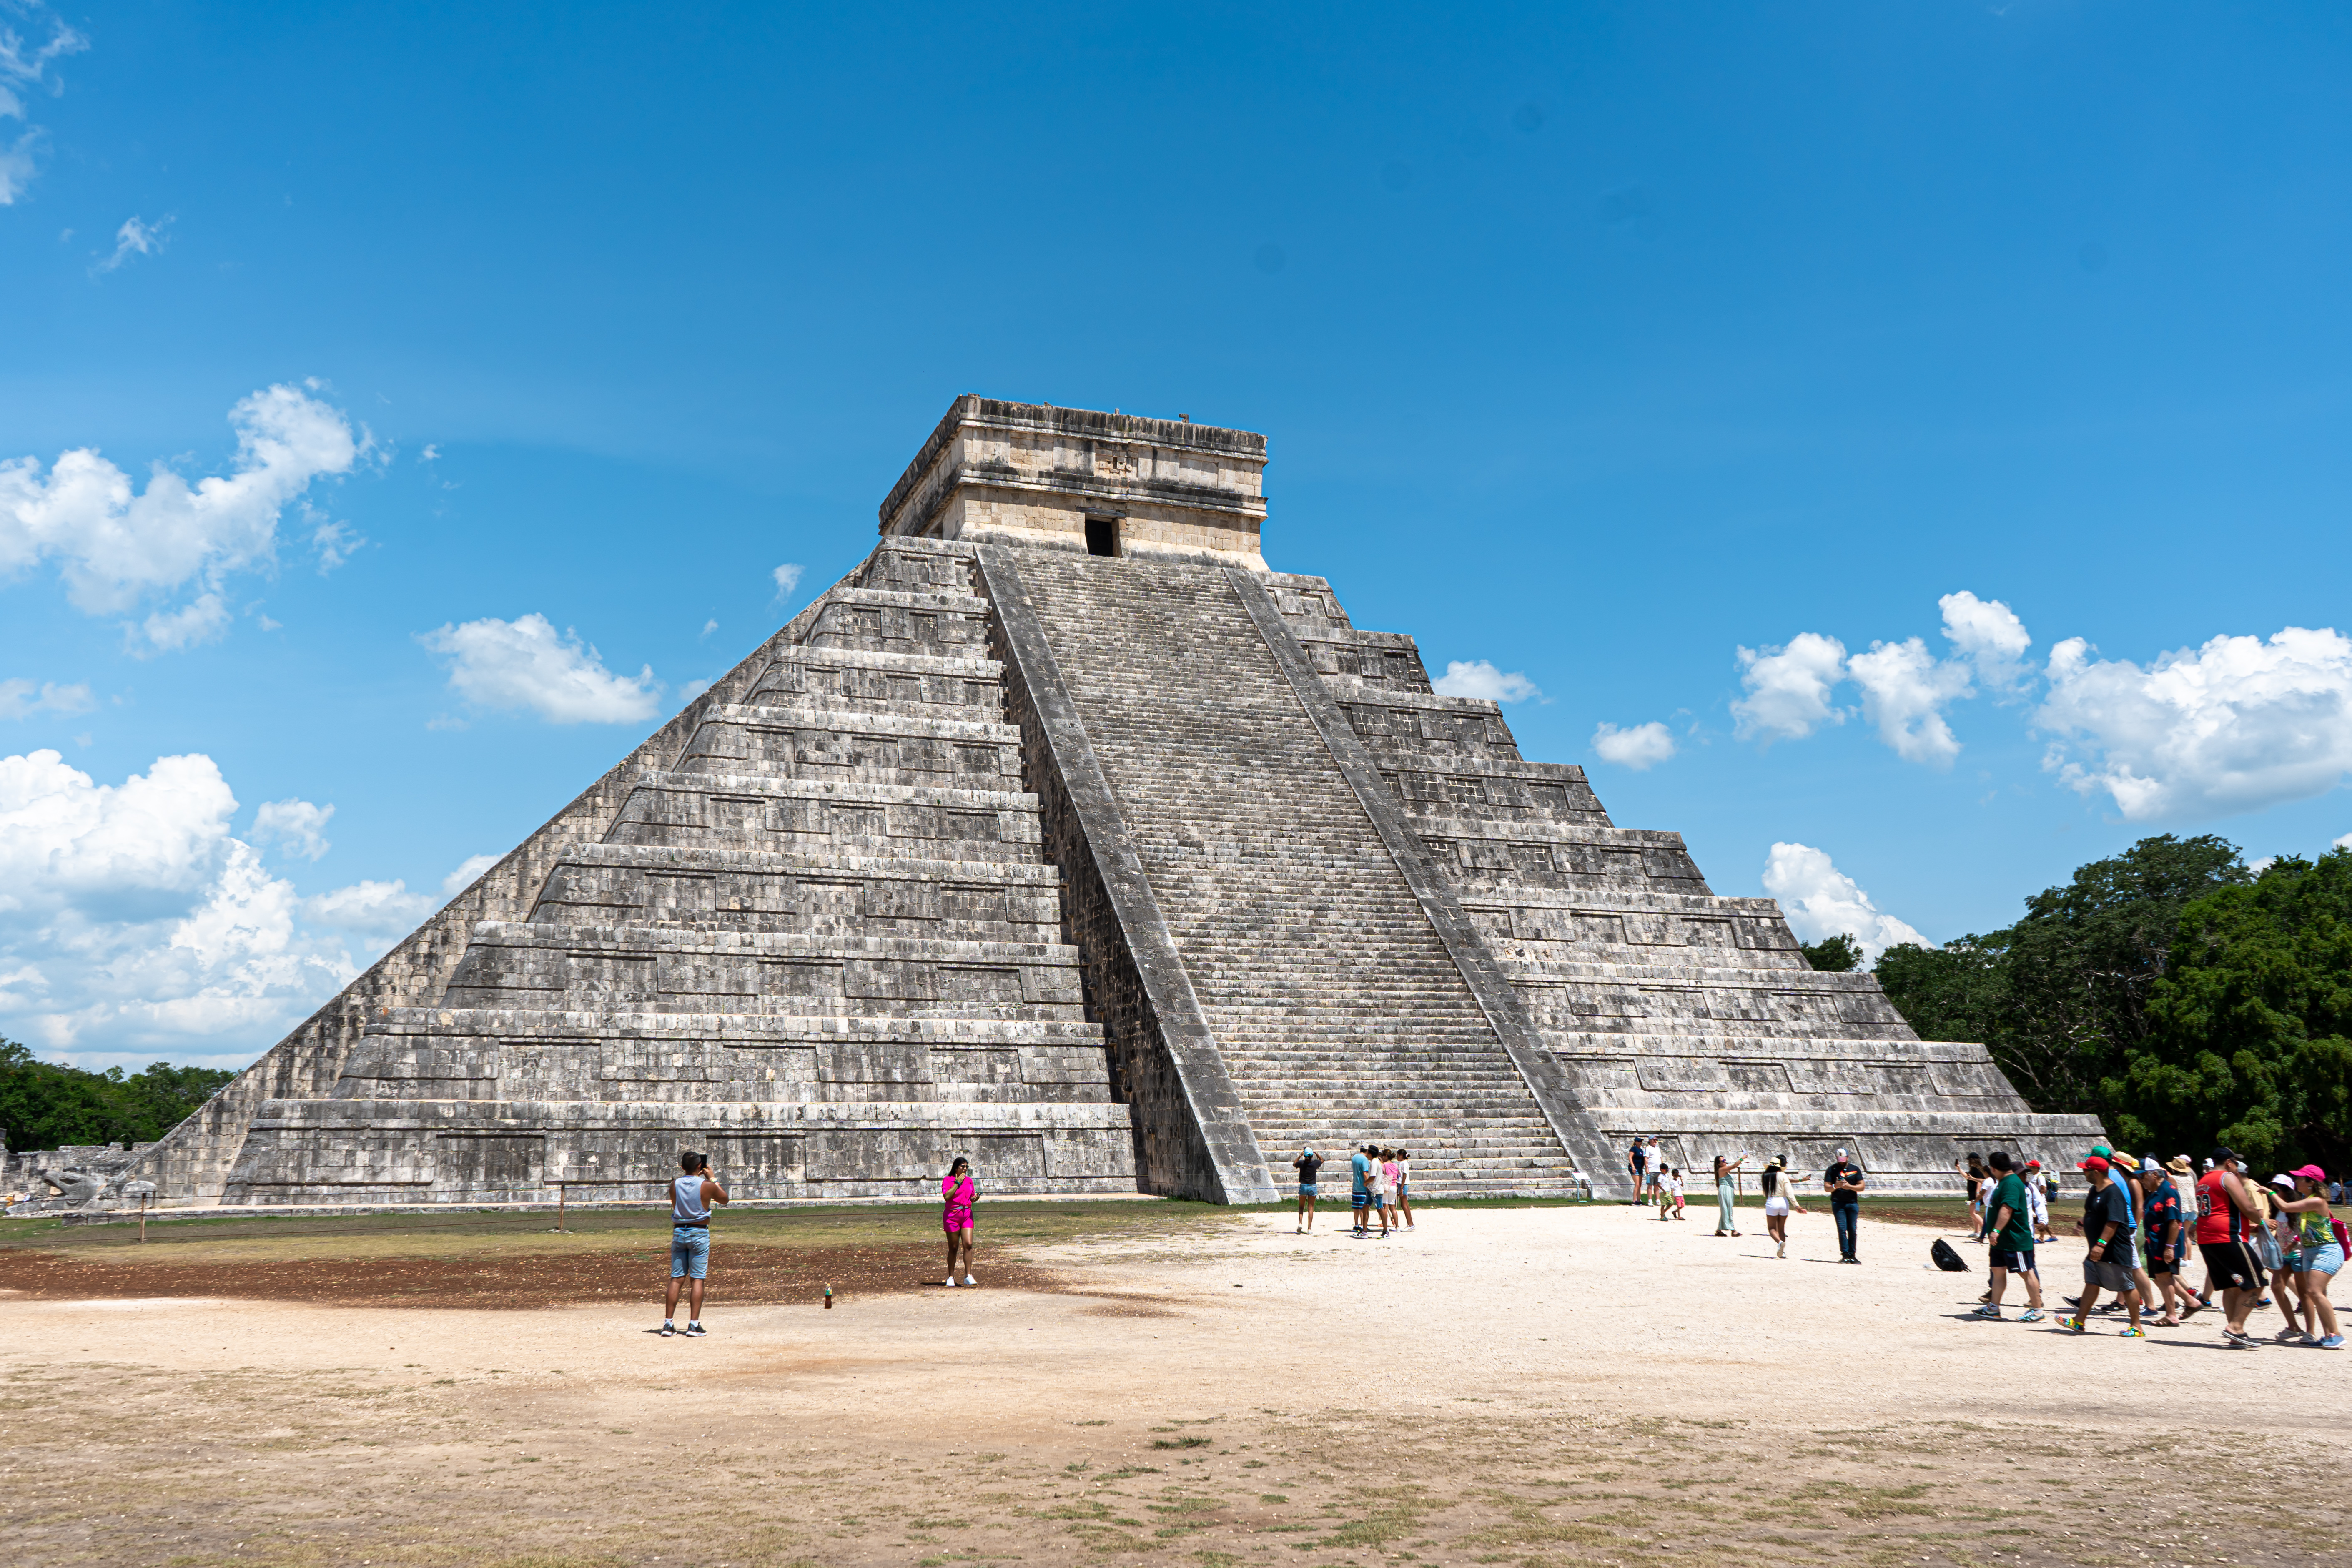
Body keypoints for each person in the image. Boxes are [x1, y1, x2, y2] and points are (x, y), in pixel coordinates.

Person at [2194, 1146, 2267, 1348]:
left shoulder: (2203, 1181)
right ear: (2229, 1162)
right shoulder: (2227, 1177)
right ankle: (2236, 1327)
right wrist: (2262, 1223)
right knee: (2257, 1282)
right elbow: (2247, 1207)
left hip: (2207, 1238)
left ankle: (2235, 1333)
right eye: (2235, 1163)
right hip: (2228, 1237)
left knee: (2232, 1286)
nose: (2237, 1167)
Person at [2066, 1156, 2142, 1337]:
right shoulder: (2095, 1189)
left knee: (2127, 1285)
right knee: (2092, 1283)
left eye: (2086, 1170)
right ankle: (2079, 1321)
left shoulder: (2113, 1193)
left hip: (2114, 1248)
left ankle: (2137, 1327)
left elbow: (2114, 1222)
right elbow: (2091, 1213)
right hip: (2096, 1249)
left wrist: (2100, 1245)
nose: (2083, 1172)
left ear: (2096, 1173)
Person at [2275, 1165, 2345, 1349]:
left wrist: (2269, 1192)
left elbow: (2284, 1206)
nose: (2296, 1181)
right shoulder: (2308, 1200)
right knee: (2317, 1295)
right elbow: (2315, 1226)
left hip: (2327, 1251)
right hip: (2310, 1251)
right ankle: (2327, 1335)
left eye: (2300, 1178)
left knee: (2314, 1291)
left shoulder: (2318, 1201)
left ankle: (2336, 1335)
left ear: (2311, 1183)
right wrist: (2296, 1241)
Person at [661, 1149, 729, 1337]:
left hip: (679, 1232)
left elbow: (676, 1204)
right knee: (697, 1278)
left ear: (682, 1167)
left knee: (677, 1278)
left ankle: (668, 1324)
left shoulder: (675, 1184)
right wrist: (713, 1178)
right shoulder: (706, 1185)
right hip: (699, 1233)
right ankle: (693, 1324)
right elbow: (725, 1199)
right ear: (701, 1167)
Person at [1973, 1151, 2044, 1322]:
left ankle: (2037, 1311)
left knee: (2026, 1273)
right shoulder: (2005, 1181)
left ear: (1993, 1168)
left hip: (2014, 1239)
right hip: (2002, 1240)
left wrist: (1996, 1230)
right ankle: (1994, 1308)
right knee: (1998, 1272)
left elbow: (2008, 1208)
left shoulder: (2011, 1183)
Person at [2138, 1157, 2185, 1326]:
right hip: (2155, 1243)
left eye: (2143, 1176)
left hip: (2165, 1243)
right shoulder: (2155, 1192)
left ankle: (2172, 1315)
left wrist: (2170, 1248)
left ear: (2154, 1175)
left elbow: (2174, 1221)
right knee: (2159, 1277)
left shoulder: (2169, 1191)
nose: (2141, 1180)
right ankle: (2191, 1302)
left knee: (2165, 1277)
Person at [1823, 1148, 1865, 1264]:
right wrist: (1836, 1186)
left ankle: (1853, 1254)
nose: (1842, 1161)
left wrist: (1850, 1187)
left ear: (1848, 1157)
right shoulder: (1832, 1169)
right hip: (1838, 1203)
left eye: (1844, 1159)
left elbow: (1862, 1187)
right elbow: (1827, 1188)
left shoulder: (1855, 1169)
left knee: (1852, 1229)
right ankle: (1845, 1254)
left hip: (1852, 1203)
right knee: (1842, 1229)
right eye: (1839, 1159)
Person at [941, 1155, 977, 1286]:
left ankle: (968, 1275)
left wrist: (975, 1198)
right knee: (954, 1247)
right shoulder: (948, 1180)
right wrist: (957, 1184)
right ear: (956, 1168)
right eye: (963, 1167)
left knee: (968, 1244)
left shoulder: (969, 1181)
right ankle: (951, 1276)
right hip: (952, 1216)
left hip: (967, 1214)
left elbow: (971, 1195)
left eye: (967, 1167)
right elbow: (947, 1196)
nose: (965, 1169)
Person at [1760, 1155, 1803, 1259]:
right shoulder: (1783, 1175)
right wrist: (1797, 1205)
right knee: (1781, 1229)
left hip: (1772, 1201)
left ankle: (1779, 1243)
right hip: (1783, 1202)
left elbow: (1765, 1192)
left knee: (1772, 1229)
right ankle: (1783, 1252)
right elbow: (1789, 1191)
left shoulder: (1765, 1176)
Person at [1713, 1152, 1745, 1237]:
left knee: (1726, 1210)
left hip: (1728, 1190)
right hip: (1725, 1191)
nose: (1725, 1162)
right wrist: (1743, 1158)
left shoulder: (1724, 1169)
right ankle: (1733, 1230)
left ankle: (1719, 1230)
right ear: (1719, 1164)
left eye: (1725, 1160)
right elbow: (1735, 1166)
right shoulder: (1721, 1169)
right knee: (1727, 1210)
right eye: (1723, 1161)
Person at [1292, 1146, 1322, 1234]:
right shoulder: (1315, 1163)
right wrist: (1316, 1153)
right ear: (1312, 1155)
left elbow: (1295, 1164)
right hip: (1312, 1186)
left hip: (1304, 1186)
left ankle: (1301, 1223)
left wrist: (1300, 1155)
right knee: (1311, 1208)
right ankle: (1309, 1228)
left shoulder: (1301, 1163)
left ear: (1305, 1155)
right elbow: (1322, 1160)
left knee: (1301, 1207)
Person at [1351, 1144, 1376, 1236]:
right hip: (1362, 1186)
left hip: (1355, 1186)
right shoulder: (1365, 1159)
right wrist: (1367, 1183)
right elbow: (1365, 1172)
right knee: (1363, 1207)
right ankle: (1363, 1225)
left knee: (1356, 1207)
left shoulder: (1354, 1158)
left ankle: (1356, 1225)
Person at [1379, 1148, 1404, 1235]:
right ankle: (1397, 1226)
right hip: (1394, 1186)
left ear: (1386, 1156)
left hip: (1386, 1186)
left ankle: (1386, 1227)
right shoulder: (1395, 1165)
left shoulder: (1383, 1165)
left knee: (1385, 1207)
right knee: (1393, 1207)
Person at [1394, 1147, 1415, 1230]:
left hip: (1403, 1185)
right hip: (1400, 1184)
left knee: (1404, 1205)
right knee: (1404, 1205)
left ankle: (1410, 1224)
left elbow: (1405, 1175)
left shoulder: (1404, 1164)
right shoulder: (1402, 1163)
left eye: (1398, 1155)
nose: (1397, 1157)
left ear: (1401, 1155)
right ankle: (1411, 1224)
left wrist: (1401, 1187)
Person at [1627, 1137, 1649, 1205]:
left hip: (1640, 1168)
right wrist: (1633, 1167)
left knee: (1639, 1185)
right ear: (1636, 1142)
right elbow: (1630, 1157)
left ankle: (1639, 1200)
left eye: (1641, 1142)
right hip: (1635, 1168)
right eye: (1639, 1141)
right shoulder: (1634, 1149)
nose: (1641, 1143)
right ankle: (1634, 1201)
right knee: (1637, 1185)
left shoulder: (1641, 1150)